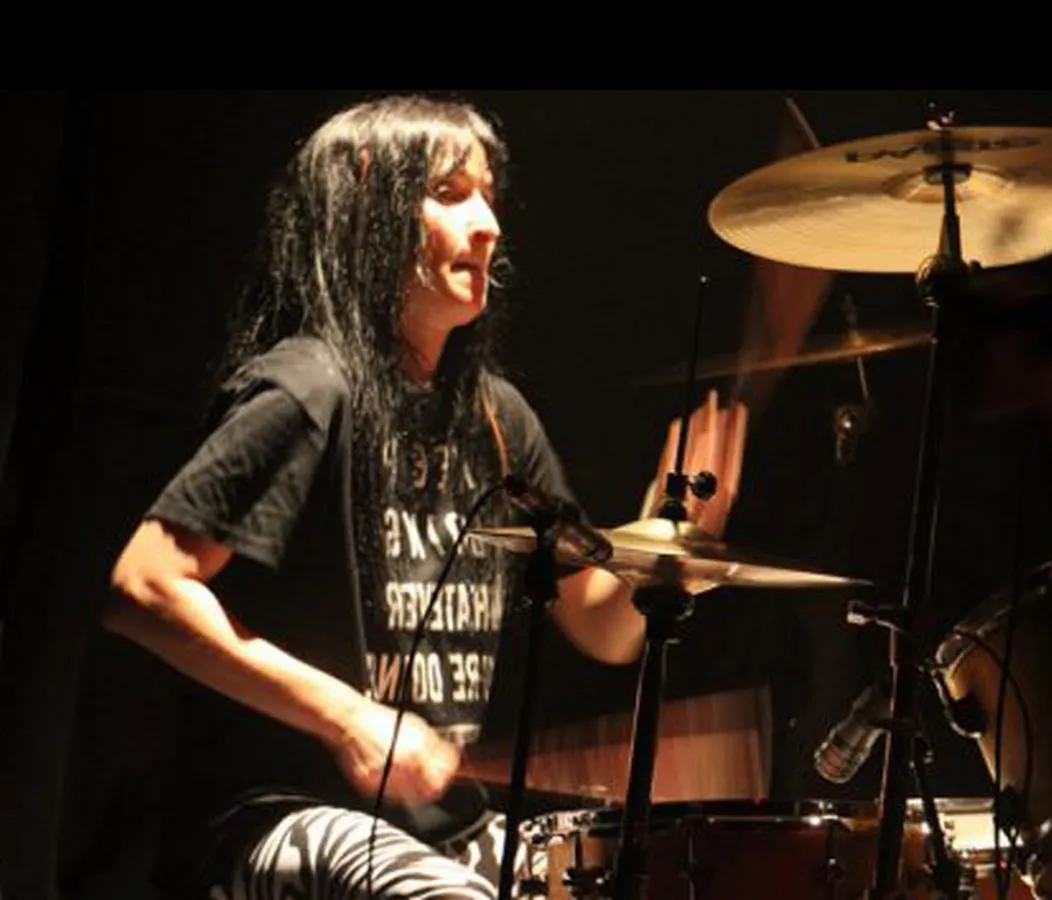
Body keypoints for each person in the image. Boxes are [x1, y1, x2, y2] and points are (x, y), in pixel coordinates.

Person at [101, 93, 747, 900]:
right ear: (367, 215)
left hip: (443, 830)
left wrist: (674, 535)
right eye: (450, 194)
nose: (489, 225)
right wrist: (349, 717)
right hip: (278, 818)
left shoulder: (497, 419)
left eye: (489, 197)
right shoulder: (308, 389)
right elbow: (143, 587)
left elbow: (603, 626)